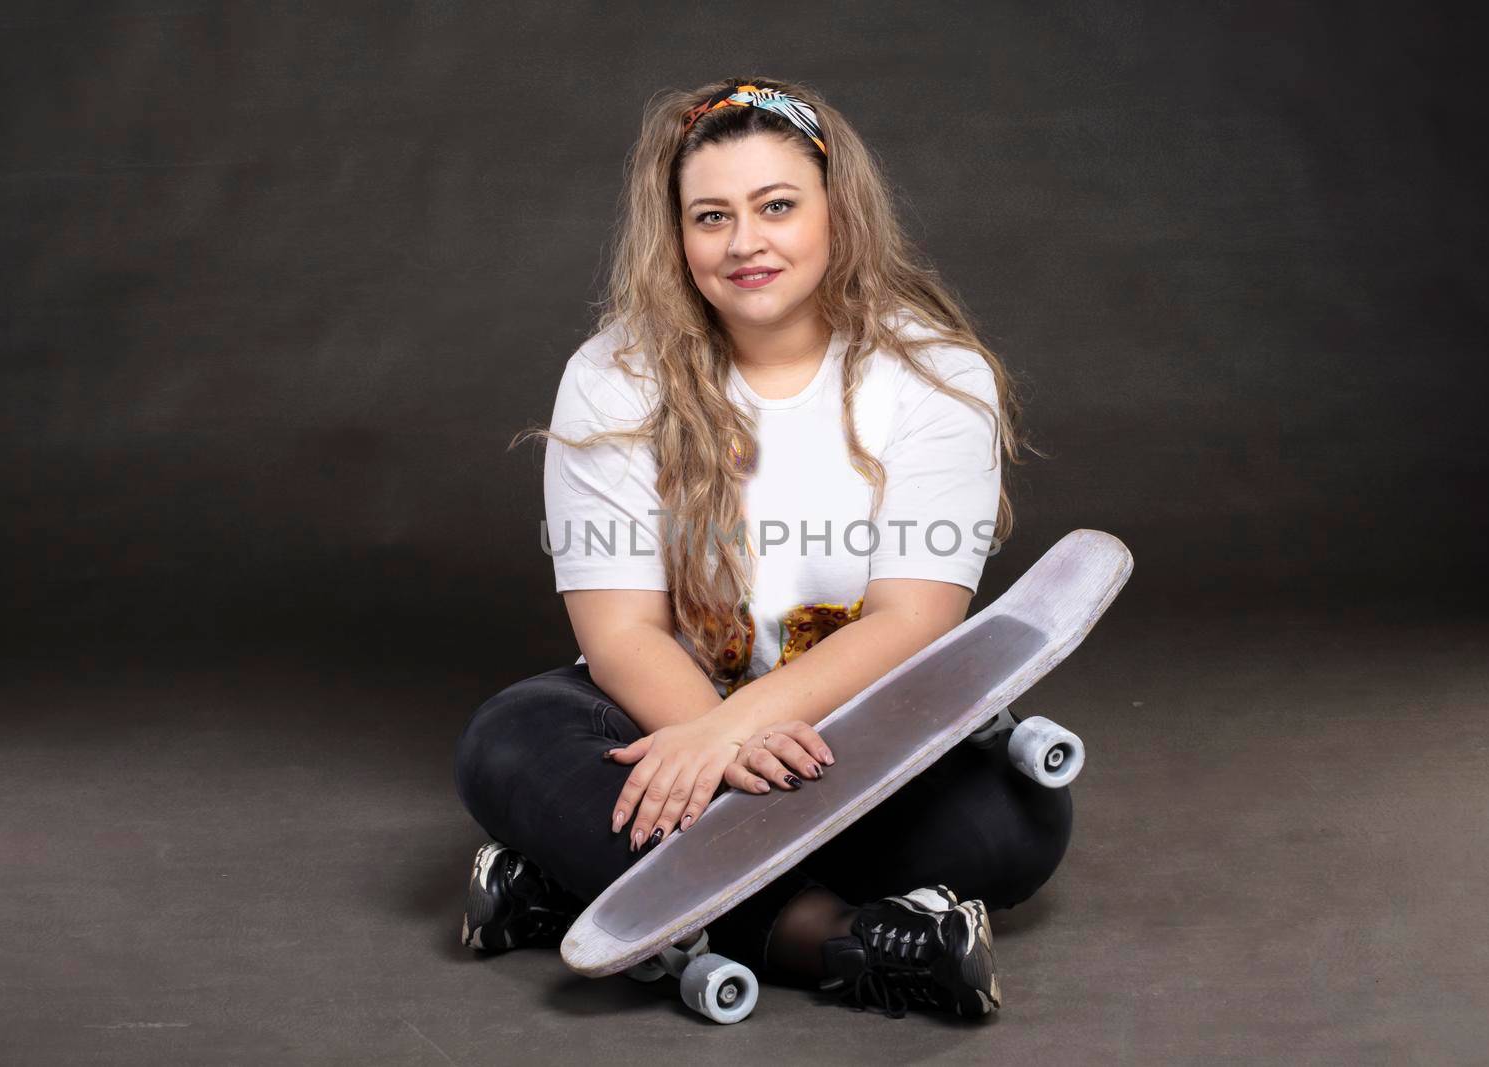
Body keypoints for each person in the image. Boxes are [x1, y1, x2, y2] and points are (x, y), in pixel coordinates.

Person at [452, 77, 1072, 1020]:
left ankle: (583, 885)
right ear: (678, 238)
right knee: (509, 742)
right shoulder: (614, 375)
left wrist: (737, 738)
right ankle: (842, 943)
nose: (746, 243)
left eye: (776, 206)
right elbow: (621, 630)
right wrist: (714, 739)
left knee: (1007, 825)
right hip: (667, 717)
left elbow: (916, 620)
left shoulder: (937, 373)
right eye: (711, 217)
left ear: (837, 212)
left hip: (863, 731)